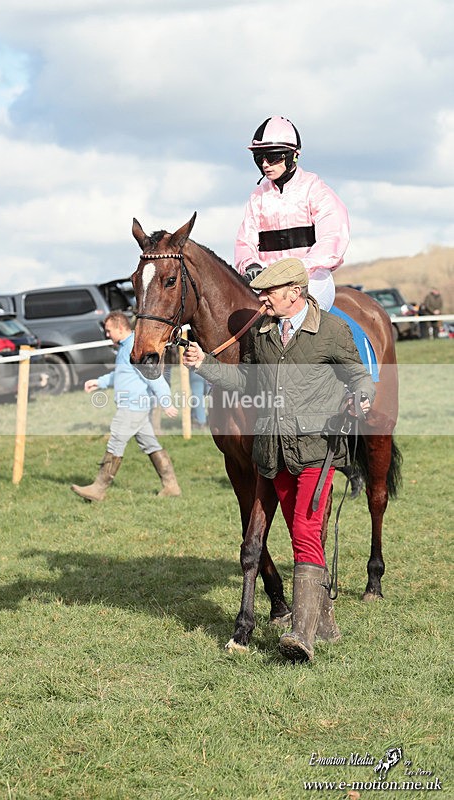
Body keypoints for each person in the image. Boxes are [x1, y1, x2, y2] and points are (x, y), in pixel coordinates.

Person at [183, 258, 374, 663]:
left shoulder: (331, 331)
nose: (262, 298)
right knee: (296, 528)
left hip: (316, 449)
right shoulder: (265, 336)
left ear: (295, 292)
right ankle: (324, 621)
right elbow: (246, 381)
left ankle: (301, 634)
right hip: (274, 451)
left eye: (269, 291)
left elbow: (358, 375)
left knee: (305, 529)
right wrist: (204, 365)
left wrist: (362, 395)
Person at [234, 116, 350, 311]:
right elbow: (245, 241)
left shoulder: (317, 191)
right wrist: (250, 265)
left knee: (297, 315)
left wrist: (294, 272)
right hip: (267, 283)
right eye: (259, 158)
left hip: (311, 280)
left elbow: (332, 240)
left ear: (292, 156)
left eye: (272, 157)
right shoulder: (257, 197)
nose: (265, 164)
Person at [71, 312, 181, 501]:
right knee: (150, 445)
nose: (107, 335)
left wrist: (166, 401)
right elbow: (122, 374)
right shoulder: (125, 348)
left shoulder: (133, 346)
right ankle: (171, 486)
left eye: (109, 331)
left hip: (132, 408)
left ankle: (98, 489)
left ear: (120, 328)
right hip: (136, 407)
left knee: (116, 442)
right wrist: (99, 382)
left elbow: (153, 375)